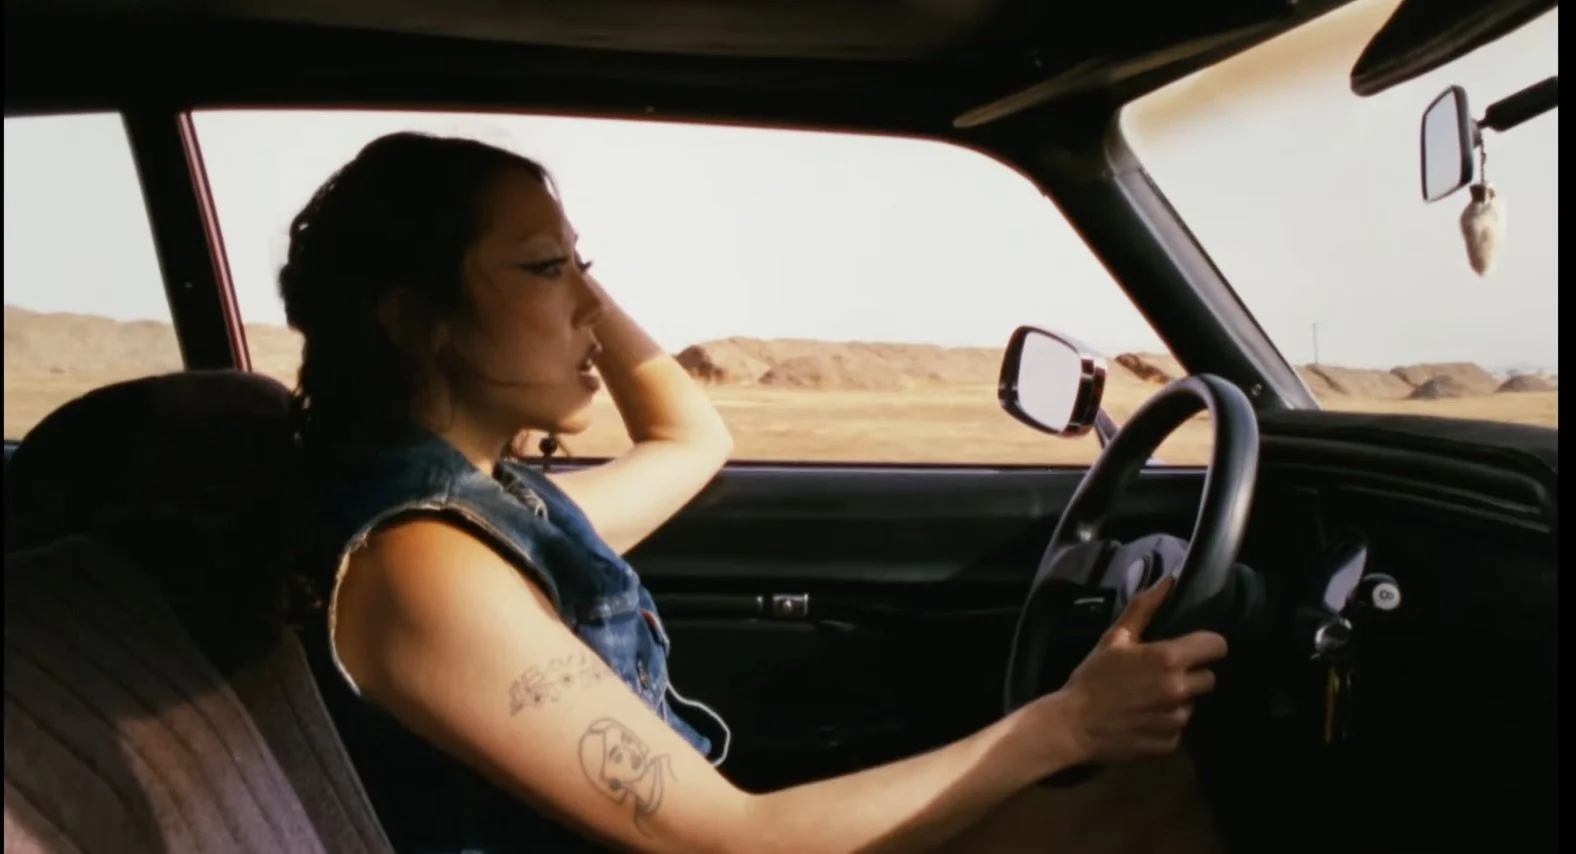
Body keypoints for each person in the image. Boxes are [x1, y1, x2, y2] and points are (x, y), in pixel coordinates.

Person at [281, 131, 1229, 853]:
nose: (588, 308)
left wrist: (562, 279)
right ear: (416, 320)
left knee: (1146, 796)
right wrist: (1065, 724)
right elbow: (732, 841)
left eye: (586, 270)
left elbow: (693, 438)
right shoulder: (420, 563)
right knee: (1145, 806)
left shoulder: (492, 509)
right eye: (543, 270)